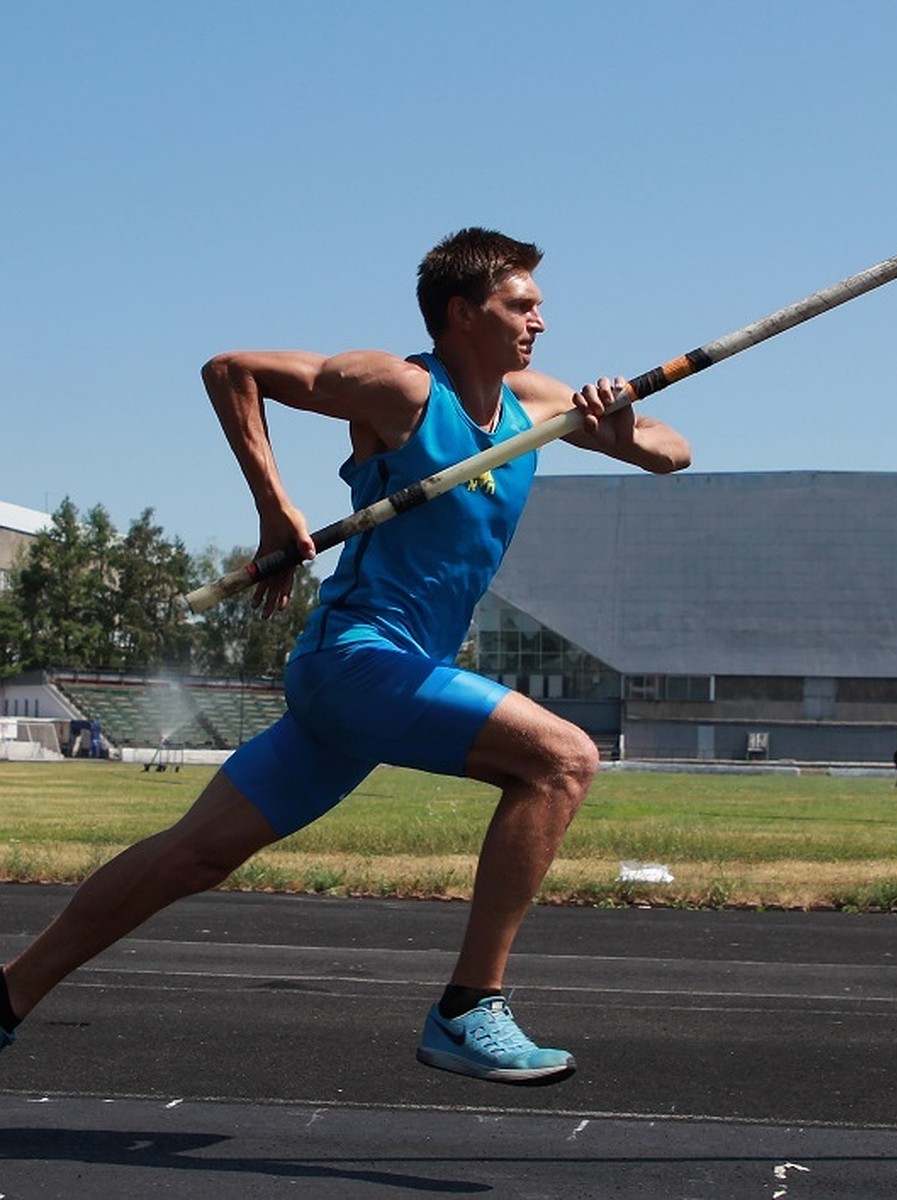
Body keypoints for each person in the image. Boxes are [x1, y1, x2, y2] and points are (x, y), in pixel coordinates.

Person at [0, 228, 691, 1086]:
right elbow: (232, 370)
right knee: (561, 762)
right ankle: (469, 1006)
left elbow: (673, 450)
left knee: (194, 855)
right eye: (522, 305)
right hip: (357, 659)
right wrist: (274, 511)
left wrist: (618, 424)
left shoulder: (536, 401)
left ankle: (9, 994)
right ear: (461, 312)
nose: (540, 322)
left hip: (385, 682)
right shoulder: (400, 390)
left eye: (540, 306)